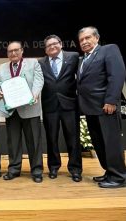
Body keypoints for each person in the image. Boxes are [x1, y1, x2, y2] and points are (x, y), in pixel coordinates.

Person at [77, 26, 126, 188]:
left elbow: (117, 75)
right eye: (81, 40)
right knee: (99, 143)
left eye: (88, 38)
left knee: (111, 143)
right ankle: (109, 171)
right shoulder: (83, 59)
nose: (84, 42)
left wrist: (111, 100)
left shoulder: (109, 50)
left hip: (106, 107)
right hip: (91, 109)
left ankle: (119, 176)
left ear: (97, 38)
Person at [0, 41, 44, 183]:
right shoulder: (2, 67)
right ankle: (14, 169)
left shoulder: (33, 63)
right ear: (7, 54)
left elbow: (39, 80)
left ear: (22, 51)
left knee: (34, 142)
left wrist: (34, 94)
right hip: (11, 111)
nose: (13, 53)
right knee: (13, 142)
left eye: (16, 50)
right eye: (10, 51)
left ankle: (37, 170)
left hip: (30, 108)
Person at [38, 35, 82, 182]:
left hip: (69, 104)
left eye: (54, 44)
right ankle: (54, 167)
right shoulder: (41, 62)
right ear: (45, 49)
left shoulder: (73, 57)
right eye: (48, 45)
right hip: (50, 106)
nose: (52, 47)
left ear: (61, 44)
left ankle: (75, 169)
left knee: (73, 138)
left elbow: (81, 78)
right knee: (51, 139)